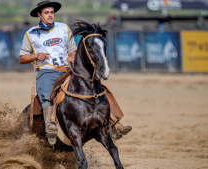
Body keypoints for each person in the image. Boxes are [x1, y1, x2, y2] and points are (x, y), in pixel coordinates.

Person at [19, 1, 132, 144]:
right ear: (39, 15)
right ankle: (50, 125)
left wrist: (72, 56)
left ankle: (114, 123)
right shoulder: (31, 34)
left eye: (52, 12)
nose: (50, 15)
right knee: (47, 94)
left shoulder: (63, 28)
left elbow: (72, 48)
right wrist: (35, 56)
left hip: (68, 69)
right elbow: (22, 58)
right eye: (46, 13)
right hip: (46, 72)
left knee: (97, 86)